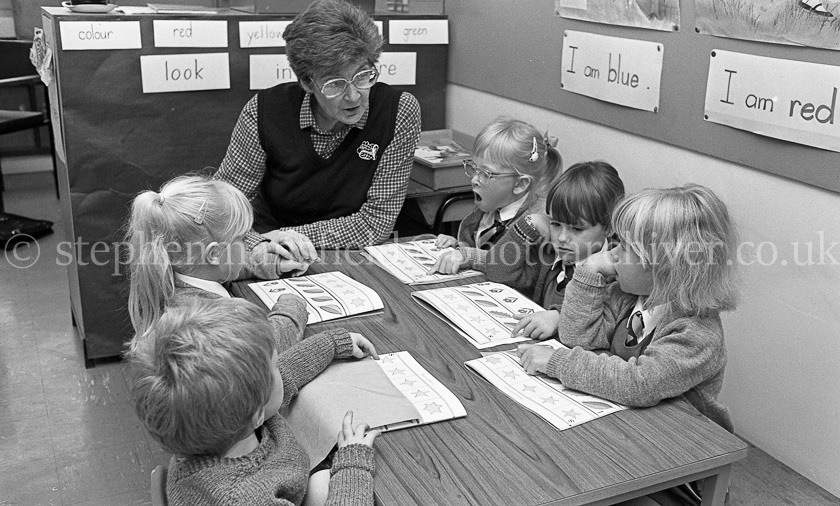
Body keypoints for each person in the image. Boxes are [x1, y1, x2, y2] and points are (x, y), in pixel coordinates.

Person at [518, 184, 740, 437]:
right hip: (623, 424)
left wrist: (557, 362)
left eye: (623, 246)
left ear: (664, 263)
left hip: (679, 442)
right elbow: (578, 338)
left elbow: (639, 383)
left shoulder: (696, 332)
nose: (611, 253)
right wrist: (589, 271)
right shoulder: (626, 296)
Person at [126, 296, 380, 506]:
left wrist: (334, 344)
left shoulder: (217, 422)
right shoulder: (243, 497)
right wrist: (354, 464)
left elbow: (289, 371)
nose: (280, 367)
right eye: (274, 366)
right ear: (258, 413)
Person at [215, 0, 421, 255]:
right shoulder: (264, 111)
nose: (354, 96)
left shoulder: (398, 111)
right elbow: (225, 208)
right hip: (268, 250)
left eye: (362, 75)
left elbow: (375, 223)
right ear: (306, 82)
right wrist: (264, 245)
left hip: (352, 251)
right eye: (335, 83)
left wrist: (287, 238)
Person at [125, 174, 310, 343]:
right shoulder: (213, 320)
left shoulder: (173, 275)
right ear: (214, 254)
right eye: (242, 238)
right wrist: (292, 306)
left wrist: (272, 263)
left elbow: (227, 264)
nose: (247, 244)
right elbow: (268, 347)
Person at [488, 161, 624, 340]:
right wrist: (529, 223)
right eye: (555, 224)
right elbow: (497, 272)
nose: (561, 238)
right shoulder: (550, 253)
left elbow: (601, 320)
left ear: (608, 228)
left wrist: (558, 316)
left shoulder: (616, 274)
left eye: (577, 228)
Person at [430, 117, 562, 273]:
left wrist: (468, 255)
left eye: (485, 173)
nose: (474, 180)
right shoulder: (491, 207)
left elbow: (509, 265)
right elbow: (478, 248)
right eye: (474, 168)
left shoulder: (535, 225)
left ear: (520, 185)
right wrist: (458, 246)